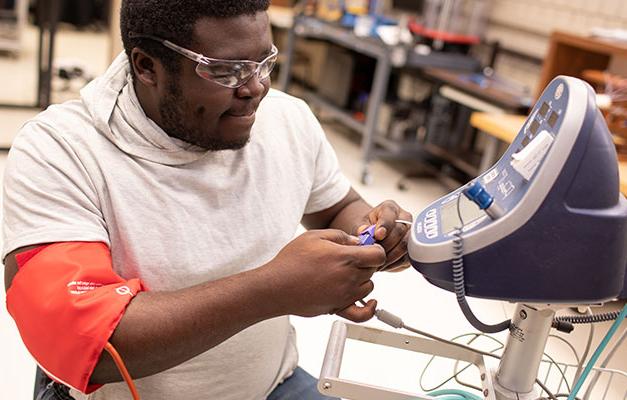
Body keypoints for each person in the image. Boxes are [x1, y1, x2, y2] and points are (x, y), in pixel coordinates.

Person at [3, 1, 413, 399]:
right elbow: (87, 343)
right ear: (147, 66)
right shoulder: (62, 151)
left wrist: (375, 230)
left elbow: (337, 207)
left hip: (272, 385)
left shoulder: (288, 120)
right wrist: (276, 288)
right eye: (228, 71)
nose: (255, 89)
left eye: (264, 62)